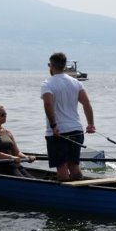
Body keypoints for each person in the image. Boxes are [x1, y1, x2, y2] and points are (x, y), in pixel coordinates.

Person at [40, 52, 96, 182]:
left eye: (49, 64)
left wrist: (54, 125)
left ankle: (66, 198)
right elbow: (86, 103)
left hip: (58, 132)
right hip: (76, 130)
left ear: (52, 65)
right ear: (64, 66)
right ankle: (81, 194)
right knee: (74, 165)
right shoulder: (76, 83)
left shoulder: (47, 84)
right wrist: (91, 124)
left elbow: (48, 104)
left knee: (62, 168)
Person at [0, 105, 35, 178]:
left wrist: (27, 157)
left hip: (11, 164)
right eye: (2, 115)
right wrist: (11, 157)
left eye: (6, 114)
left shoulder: (8, 132)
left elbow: (17, 152)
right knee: (25, 181)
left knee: (31, 179)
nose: (5, 116)